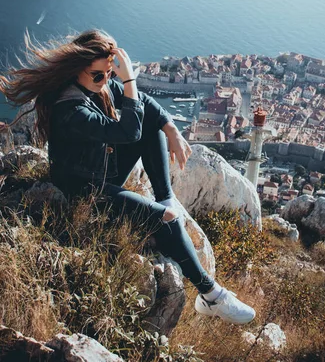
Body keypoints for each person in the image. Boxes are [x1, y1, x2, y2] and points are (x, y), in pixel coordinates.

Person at [0, 28, 255, 325]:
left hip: (100, 171)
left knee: (151, 125)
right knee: (166, 218)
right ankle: (211, 295)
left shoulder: (98, 86)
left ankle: (165, 196)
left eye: (108, 73)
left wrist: (171, 128)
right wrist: (129, 80)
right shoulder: (70, 108)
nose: (105, 80)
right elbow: (127, 131)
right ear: (76, 70)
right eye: (98, 75)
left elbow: (143, 105)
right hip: (84, 192)